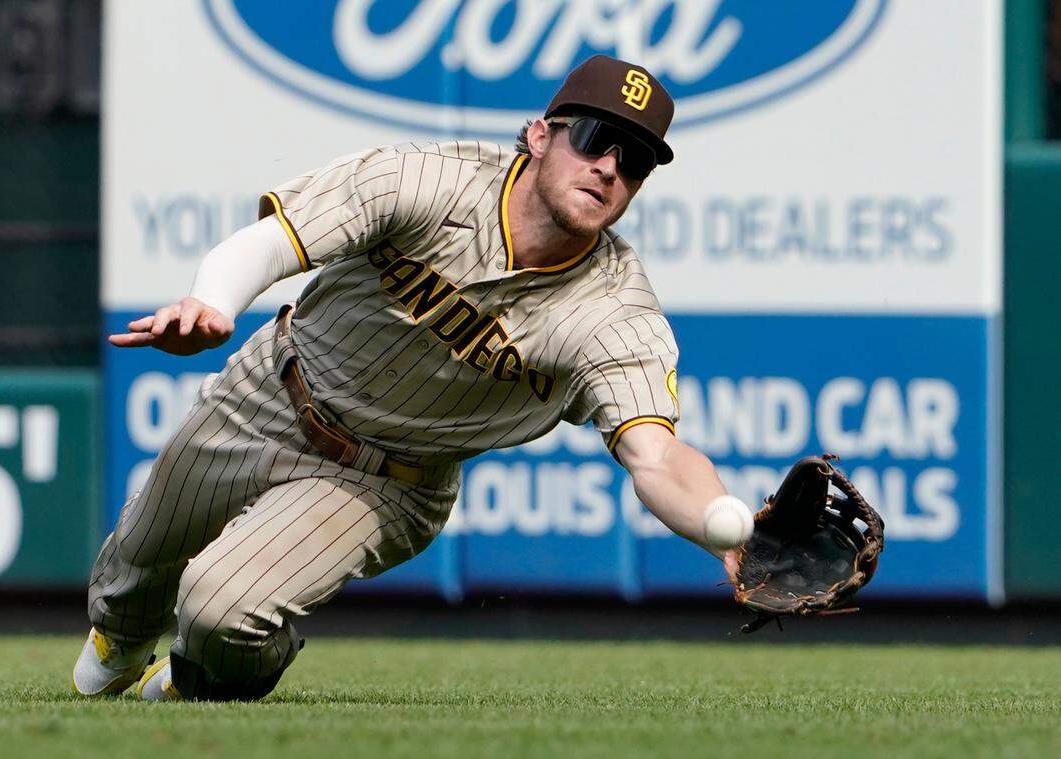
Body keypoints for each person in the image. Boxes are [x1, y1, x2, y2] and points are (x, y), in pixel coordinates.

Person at [73, 55, 746, 702]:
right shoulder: (428, 179)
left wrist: (728, 526)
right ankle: (121, 644)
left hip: (388, 480)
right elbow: (274, 243)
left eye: (633, 162)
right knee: (136, 562)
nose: (608, 168)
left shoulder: (613, 311)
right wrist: (214, 303)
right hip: (273, 389)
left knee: (219, 609)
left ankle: (204, 675)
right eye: (597, 139)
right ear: (541, 135)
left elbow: (655, 455)